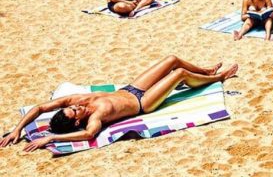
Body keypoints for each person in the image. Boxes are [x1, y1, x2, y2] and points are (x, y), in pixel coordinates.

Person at [0, 56, 237, 153]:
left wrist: (18, 129)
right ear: (76, 120)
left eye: (72, 107)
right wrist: (51, 138)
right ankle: (217, 78)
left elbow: (40, 108)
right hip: (143, 102)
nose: (76, 106)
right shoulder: (94, 119)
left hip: (130, 88)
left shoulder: (75, 101)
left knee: (172, 60)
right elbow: (88, 135)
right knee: (179, 74)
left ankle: (204, 71)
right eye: (75, 111)